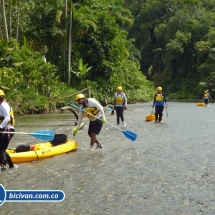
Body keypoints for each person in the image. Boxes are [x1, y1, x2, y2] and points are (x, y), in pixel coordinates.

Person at [0, 90, 16, 171]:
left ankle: (3, 168)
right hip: (6, 129)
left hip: (7, 129)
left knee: (1, 149)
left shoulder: (3, 105)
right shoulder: (4, 104)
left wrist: (0, 127)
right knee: (1, 149)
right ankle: (11, 166)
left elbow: (7, 118)